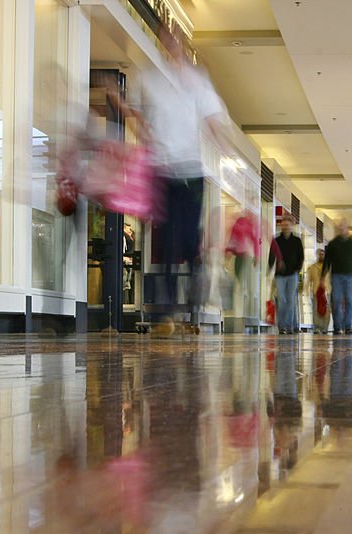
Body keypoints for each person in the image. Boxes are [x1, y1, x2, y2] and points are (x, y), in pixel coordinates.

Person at [136, 22, 231, 332]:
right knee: (165, 238)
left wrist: (223, 145)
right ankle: (165, 313)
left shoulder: (197, 81)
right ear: (163, 41)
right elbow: (143, 118)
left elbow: (212, 119)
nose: (172, 43)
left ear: (183, 44)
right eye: (167, 38)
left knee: (189, 241)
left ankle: (192, 310)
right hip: (163, 169)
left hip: (190, 170)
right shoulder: (153, 79)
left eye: (176, 38)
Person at [323, 220, 352, 334]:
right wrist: (323, 275)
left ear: (347, 228)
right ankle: (337, 326)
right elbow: (327, 260)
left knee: (350, 300)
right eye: (340, 227)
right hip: (336, 275)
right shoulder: (333, 244)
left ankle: (348, 326)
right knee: (336, 300)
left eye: (343, 227)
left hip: (349, 275)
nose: (341, 229)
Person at [269, 214, 304, 334]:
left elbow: (301, 257)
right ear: (281, 226)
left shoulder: (297, 241)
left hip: (292, 275)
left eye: (287, 224)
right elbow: (271, 256)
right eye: (283, 224)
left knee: (290, 300)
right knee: (282, 300)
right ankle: (282, 326)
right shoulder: (276, 240)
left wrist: (297, 270)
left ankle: (289, 326)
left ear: (291, 226)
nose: (285, 226)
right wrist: (270, 268)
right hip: (280, 275)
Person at [306, 248, 330, 334]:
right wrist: (306, 290)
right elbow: (308, 279)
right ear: (317, 255)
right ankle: (316, 327)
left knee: (326, 310)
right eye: (319, 254)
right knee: (316, 309)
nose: (321, 256)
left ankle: (324, 328)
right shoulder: (312, 267)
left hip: (327, 291)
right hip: (316, 291)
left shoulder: (328, 267)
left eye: (323, 254)